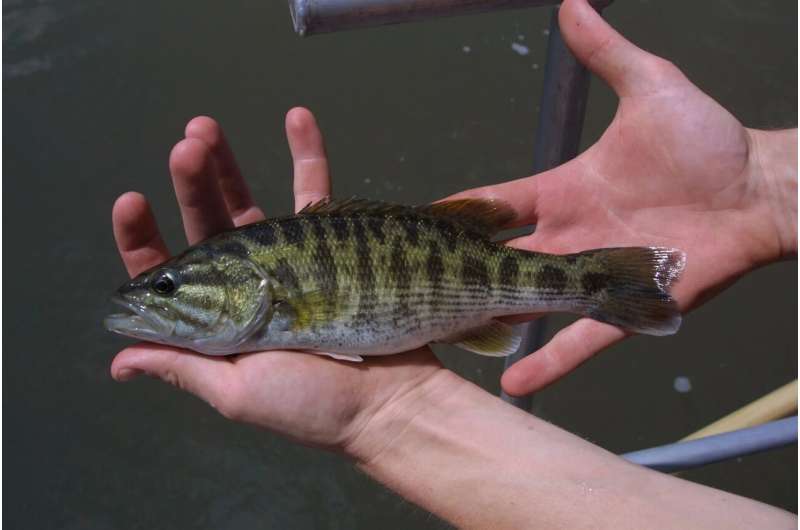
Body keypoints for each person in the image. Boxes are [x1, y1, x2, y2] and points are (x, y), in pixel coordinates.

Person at [108, 0, 797, 527]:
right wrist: (766, 187)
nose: (154, 298)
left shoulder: (277, 300)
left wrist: (766, 186)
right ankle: (598, 280)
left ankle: (595, 281)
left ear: (245, 287)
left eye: (167, 287)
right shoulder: (266, 300)